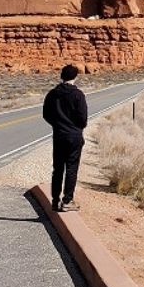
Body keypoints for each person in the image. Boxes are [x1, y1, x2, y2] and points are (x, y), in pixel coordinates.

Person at [43, 64, 87, 212]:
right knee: (72, 168)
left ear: (62, 76)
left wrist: (57, 124)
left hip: (59, 135)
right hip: (74, 136)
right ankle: (67, 200)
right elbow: (83, 118)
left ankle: (55, 201)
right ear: (75, 77)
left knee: (58, 169)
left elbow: (46, 115)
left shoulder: (52, 94)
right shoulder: (78, 95)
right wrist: (76, 128)